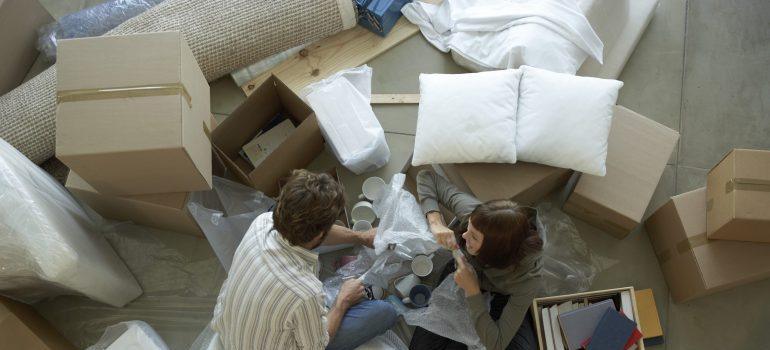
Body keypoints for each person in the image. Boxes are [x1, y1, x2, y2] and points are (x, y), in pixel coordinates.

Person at [211, 170, 397, 350]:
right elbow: (317, 345)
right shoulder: (305, 292)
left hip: (231, 329)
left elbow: (319, 232)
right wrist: (343, 301)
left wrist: (361, 236)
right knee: (385, 313)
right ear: (319, 235)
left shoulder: (262, 222)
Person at [409, 170, 544, 350]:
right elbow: (426, 177)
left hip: (501, 295)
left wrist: (473, 292)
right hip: (462, 268)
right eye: (468, 228)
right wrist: (435, 222)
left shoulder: (526, 280)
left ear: (494, 252)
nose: (463, 235)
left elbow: (497, 343)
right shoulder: (479, 218)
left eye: (473, 237)